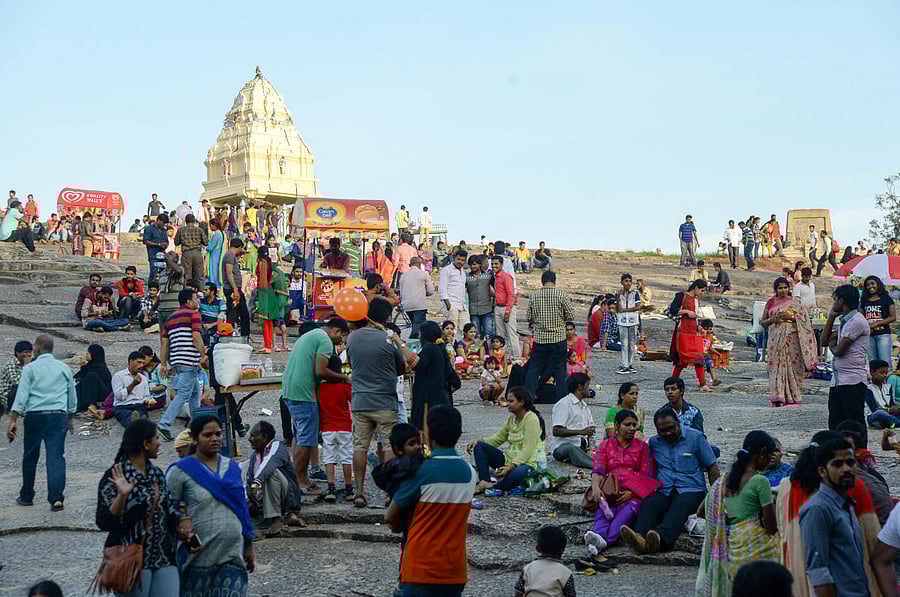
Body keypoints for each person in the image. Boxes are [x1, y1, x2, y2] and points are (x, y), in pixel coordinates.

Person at [385, 405, 475, 597]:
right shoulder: (470, 473)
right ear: (459, 433)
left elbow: (390, 515)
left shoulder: (420, 472)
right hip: (454, 570)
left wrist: (398, 526)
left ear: (428, 434)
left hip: (420, 568)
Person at [166, 415, 255, 595]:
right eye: (208, 435)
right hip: (197, 559)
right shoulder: (181, 471)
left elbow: (242, 508)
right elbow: (166, 508)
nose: (215, 439)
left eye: (218, 434)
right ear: (195, 438)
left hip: (232, 557)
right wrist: (182, 519)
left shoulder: (232, 468)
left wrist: (249, 543)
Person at [96, 418, 181, 595]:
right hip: (131, 558)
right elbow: (104, 521)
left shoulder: (156, 474)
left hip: (163, 556)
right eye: (156, 438)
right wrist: (122, 496)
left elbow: (169, 508)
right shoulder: (116, 475)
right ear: (145, 443)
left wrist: (184, 523)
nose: (159, 443)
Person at [619, 407, 719, 555]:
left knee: (680, 507)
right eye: (662, 430)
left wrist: (715, 496)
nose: (667, 433)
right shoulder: (654, 442)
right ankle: (639, 538)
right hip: (664, 489)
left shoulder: (696, 438)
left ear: (678, 422)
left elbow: (712, 467)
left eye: (671, 428)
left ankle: (660, 540)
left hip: (691, 489)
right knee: (650, 504)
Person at [694, 431, 779, 597]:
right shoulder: (760, 481)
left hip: (731, 543)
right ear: (762, 453)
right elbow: (772, 526)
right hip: (755, 543)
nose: (770, 460)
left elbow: (701, 511)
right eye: (770, 455)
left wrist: (724, 520)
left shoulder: (723, 480)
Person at [347, 298, 407, 507]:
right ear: (387, 317)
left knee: (360, 446)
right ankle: (390, 493)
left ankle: (359, 492)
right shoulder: (388, 339)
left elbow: (352, 362)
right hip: (385, 401)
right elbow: (401, 367)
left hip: (360, 400)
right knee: (389, 446)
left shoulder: (352, 338)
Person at [7, 335, 76, 511]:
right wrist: (69, 416)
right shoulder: (63, 368)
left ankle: (27, 496)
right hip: (57, 416)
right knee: (56, 456)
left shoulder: (30, 369)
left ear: (36, 348)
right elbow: (72, 396)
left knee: (30, 456)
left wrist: (13, 420)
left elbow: (22, 396)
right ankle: (56, 498)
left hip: (35, 416)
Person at [281, 318, 350, 492]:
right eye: (342, 336)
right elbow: (320, 370)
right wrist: (344, 378)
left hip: (291, 390)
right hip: (303, 393)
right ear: (336, 331)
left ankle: (299, 478)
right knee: (306, 439)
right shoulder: (325, 340)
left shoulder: (313, 335)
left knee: (301, 435)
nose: (341, 341)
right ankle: (300, 481)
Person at [798, 438, 869, 597]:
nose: (846, 469)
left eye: (850, 463)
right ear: (822, 471)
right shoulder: (818, 509)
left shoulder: (846, 504)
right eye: (838, 464)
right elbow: (818, 570)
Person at [584, 408, 661, 554]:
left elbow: (647, 475)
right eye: (628, 425)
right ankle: (599, 536)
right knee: (603, 510)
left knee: (626, 513)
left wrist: (632, 493)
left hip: (632, 494)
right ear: (617, 426)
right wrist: (595, 488)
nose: (632, 428)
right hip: (610, 490)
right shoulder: (605, 445)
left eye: (634, 425)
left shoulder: (642, 447)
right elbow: (598, 470)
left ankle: (604, 542)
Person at [468, 386, 546, 496]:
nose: (507, 404)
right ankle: (484, 481)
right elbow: (497, 439)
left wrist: (509, 467)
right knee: (480, 447)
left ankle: (496, 486)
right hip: (509, 460)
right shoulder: (511, 419)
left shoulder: (531, 419)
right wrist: (478, 441)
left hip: (528, 463)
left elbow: (528, 450)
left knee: (515, 475)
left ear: (522, 402)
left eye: (511, 401)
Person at [157, 289, 207, 441]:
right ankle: (164, 424)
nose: (197, 302)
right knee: (184, 394)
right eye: (195, 299)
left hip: (176, 360)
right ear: (188, 301)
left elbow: (165, 343)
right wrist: (203, 355)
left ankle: (195, 426)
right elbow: (196, 336)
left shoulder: (171, 318)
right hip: (189, 359)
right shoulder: (194, 314)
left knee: (194, 393)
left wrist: (164, 363)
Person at [760, 276, 818, 407]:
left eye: (785, 287)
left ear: (789, 288)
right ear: (775, 289)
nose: (783, 290)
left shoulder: (795, 302)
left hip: (792, 340)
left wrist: (791, 317)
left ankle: (793, 395)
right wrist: (771, 320)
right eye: (780, 288)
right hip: (776, 340)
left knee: (793, 366)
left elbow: (804, 320)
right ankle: (778, 395)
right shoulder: (770, 302)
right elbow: (762, 322)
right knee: (776, 366)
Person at [822, 285, 870, 433]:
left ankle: (861, 454)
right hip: (838, 380)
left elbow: (839, 351)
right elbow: (824, 341)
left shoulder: (857, 321)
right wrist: (831, 317)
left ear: (841, 300)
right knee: (836, 422)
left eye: (835, 299)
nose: (834, 303)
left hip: (852, 381)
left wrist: (831, 346)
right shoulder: (846, 321)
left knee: (854, 423)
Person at [526, 270, 576, 401]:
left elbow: (529, 317)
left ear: (542, 281)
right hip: (558, 339)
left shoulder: (534, 296)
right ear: (554, 280)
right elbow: (571, 316)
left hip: (540, 339)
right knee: (560, 371)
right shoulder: (561, 295)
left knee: (534, 369)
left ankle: (528, 398)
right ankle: (562, 400)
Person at [246, 420, 303, 536]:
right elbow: (249, 479)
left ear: (264, 437)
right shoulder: (254, 456)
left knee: (272, 473)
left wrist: (256, 484)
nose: (249, 439)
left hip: (286, 496)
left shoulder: (277, 446)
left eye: (253, 435)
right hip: (262, 501)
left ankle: (276, 518)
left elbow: (269, 464)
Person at [411, 321, 461, 432]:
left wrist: (400, 344)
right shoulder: (440, 349)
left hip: (428, 401)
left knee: (426, 434)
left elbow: (417, 364)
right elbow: (456, 382)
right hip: (441, 400)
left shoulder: (429, 349)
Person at [670, 280, 712, 392]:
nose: (702, 293)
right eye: (702, 290)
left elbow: (696, 318)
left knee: (699, 357)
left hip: (693, 333)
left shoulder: (696, 301)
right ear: (696, 288)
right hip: (682, 331)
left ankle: (703, 384)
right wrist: (686, 312)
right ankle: (673, 382)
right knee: (681, 359)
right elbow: (672, 310)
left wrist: (700, 328)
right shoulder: (681, 296)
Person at [514, 525, 577, 597]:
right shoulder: (565, 573)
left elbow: (518, 592)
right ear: (562, 551)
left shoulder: (528, 568)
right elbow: (571, 595)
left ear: (538, 548)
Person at [549, 373, 595, 469]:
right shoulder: (564, 404)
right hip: (563, 447)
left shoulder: (585, 407)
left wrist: (590, 433)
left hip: (581, 447)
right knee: (570, 448)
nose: (589, 389)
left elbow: (589, 430)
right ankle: (597, 466)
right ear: (579, 387)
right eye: (587, 385)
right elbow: (556, 430)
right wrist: (580, 432)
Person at [860, 275, 896, 363]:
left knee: (885, 361)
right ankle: (874, 377)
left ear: (878, 284)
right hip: (869, 335)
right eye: (867, 285)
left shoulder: (887, 299)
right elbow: (861, 317)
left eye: (872, 284)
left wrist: (876, 324)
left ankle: (887, 377)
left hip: (883, 334)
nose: (870, 286)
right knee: (872, 362)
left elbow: (893, 317)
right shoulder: (864, 300)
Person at [111, 351, 152, 428]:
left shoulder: (143, 378)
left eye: (143, 363)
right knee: (126, 416)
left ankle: (139, 422)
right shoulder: (119, 376)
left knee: (142, 414)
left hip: (138, 405)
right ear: (131, 361)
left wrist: (148, 401)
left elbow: (146, 396)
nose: (141, 366)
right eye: (139, 362)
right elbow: (118, 397)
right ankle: (136, 424)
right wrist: (133, 384)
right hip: (123, 406)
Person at [492, 255, 522, 360]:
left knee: (511, 333)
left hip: (506, 307)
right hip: (498, 307)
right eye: (492, 264)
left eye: (496, 264)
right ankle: (503, 358)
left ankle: (516, 358)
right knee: (500, 335)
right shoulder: (496, 277)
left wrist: (508, 311)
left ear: (501, 265)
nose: (494, 266)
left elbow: (510, 294)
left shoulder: (506, 276)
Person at [398, 256, 434, 339]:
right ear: (419, 264)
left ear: (410, 265)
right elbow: (431, 291)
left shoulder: (403, 276)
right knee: (417, 330)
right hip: (419, 306)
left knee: (415, 325)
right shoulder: (424, 274)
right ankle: (412, 346)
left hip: (406, 306)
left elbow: (401, 291)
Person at [223, 238, 251, 340]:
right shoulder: (230, 256)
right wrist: (235, 289)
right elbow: (229, 273)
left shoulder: (230, 255)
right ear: (239, 247)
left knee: (235, 312)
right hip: (232, 289)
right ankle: (239, 334)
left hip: (233, 288)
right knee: (238, 313)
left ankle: (238, 334)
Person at [73, 344, 112, 413]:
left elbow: (89, 380)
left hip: (103, 394)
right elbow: (80, 378)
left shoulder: (100, 367)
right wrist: (83, 367)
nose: (86, 354)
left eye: (88, 353)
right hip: (94, 391)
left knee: (92, 376)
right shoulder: (90, 365)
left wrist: (84, 368)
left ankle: (92, 405)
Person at [465, 255, 494, 345]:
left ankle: (490, 355)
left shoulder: (488, 276)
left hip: (487, 310)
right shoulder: (467, 277)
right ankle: (477, 355)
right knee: (475, 335)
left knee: (489, 334)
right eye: (471, 265)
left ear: (480, 264)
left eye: (475, 264)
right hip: (473, 310)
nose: (473, 267)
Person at [616, 273, 641, 374]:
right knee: (624, 343)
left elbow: (638, 306)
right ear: (622, 282)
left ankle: (629, 364)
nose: (628, 283)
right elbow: (618, 308)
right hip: (622, 321)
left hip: (633, 321)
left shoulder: (635, 294)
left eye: (630, 281)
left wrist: (625, 310)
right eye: (626, 281)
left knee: (631, 344)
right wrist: (618, 297)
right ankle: (624, 365)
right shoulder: (618, 294)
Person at [439, 250, 469, 335]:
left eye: (462, 260)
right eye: (458, 259)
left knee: (466, 329)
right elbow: (442, 288)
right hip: (452, 304)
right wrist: (448, 305)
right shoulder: (447, 270)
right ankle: (450, 348)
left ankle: (462, 348)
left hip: (462, 304)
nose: (460, 262)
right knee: (451, 331)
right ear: (454, 258)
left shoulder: (463, 272)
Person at [174, 214, 207, 288]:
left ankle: (188, 293)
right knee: (200, 276)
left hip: (186, 253)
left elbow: (176, 242)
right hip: (197, 253)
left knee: (187, 275)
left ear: (186, 221)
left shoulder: (181, 230)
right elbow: (205, 242)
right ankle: (201, 292)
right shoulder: (199, 230)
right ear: (194, 221)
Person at [865, 359, 900, 429]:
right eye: (882, 373)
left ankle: (891, 423)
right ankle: (894, 423)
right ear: (872, 372)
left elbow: (891, 404)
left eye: (886, 373)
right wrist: (891, 410)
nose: (884, 375)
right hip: (874, 415)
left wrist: (896, 408)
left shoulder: (888, 387)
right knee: (880, 414)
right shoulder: (868, 389)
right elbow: (874, 409)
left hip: (889, 415)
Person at [0, 340, 31, 412]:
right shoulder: (11, 365)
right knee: (20, 387)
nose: (29, 354)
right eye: (26, 352)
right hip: (8, 397)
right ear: (18, 353)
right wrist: (27, 367)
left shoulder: (29, 364)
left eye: (30, 352)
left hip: (20, 396)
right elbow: (17, 382)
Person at [142, 214, 169, 284]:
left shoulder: (163, 230)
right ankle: (150, 289)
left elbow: (166, 240)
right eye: (163, 223)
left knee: (163, 273)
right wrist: (158, 244)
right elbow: (145, 241)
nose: (164, 225)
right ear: (159, 220)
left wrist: (165, 244)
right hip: (153, 254)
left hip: (162, 254)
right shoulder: (149, 229)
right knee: (154, 272)